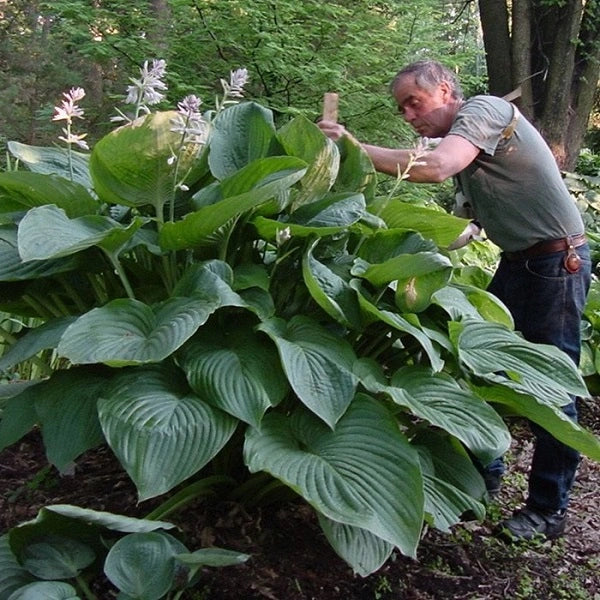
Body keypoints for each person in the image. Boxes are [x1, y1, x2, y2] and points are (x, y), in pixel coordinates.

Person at [318, 59, 592, 541]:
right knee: (475, 368)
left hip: (557, 265)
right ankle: (477, 484)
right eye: (401, 107)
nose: (407, 115)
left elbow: (436, 167)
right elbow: (462, 233)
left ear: (445, 91)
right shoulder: (475, 156)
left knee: (552, 388)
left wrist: (354, 148)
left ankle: (548, 511)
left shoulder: (485, 111)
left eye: (413, 103)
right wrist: (399, 245)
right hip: (519, 263)